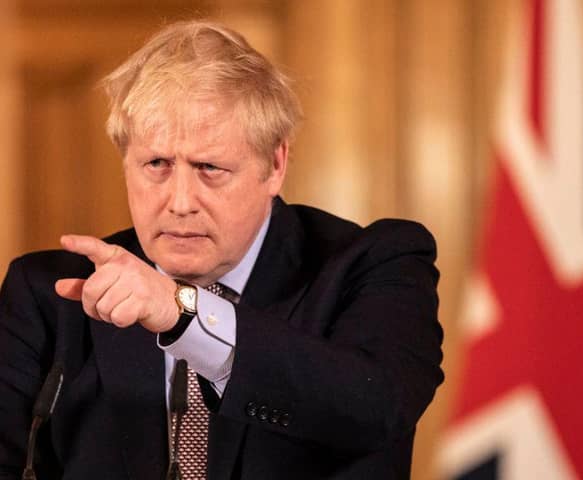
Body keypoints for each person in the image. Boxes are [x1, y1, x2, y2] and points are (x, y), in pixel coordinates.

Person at [0, 20, 443, 480]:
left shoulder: (374, 265)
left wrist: (181, 313)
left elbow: (375, 409)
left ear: (274, 165)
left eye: (209, 167)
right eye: (156, 165)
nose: (180, 202)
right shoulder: (51, 296)